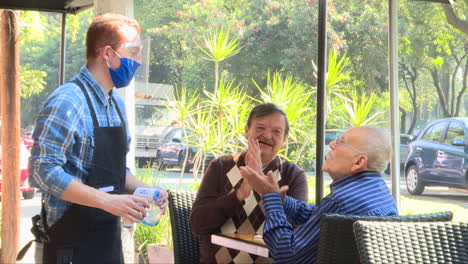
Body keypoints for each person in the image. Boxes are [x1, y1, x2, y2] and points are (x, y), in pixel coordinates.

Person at [28, 13, 167, 264]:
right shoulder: (67, 101)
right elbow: (43, 170)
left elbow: (115, 172)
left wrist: (148, 191)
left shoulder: (116, 105)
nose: (139, 61)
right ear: (107, 53)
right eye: (133, 52)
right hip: (69, 246)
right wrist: (107, 201)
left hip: (107, 244)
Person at [240, 126, 398, 263]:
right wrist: (282, 201)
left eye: (341, 142)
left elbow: (286, 254)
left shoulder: (342, 200)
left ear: (358, 162)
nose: (332, 144)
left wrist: (270, 198)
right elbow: (322, 219)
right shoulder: (379, 192)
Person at [190, 103, 309, 264]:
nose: (267, 135)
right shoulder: (220, 166)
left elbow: (298, 233)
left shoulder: (292, 175)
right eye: (260, 128)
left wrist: (270, 195)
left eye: (276, 131)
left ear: (284, 140)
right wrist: (239, 195)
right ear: (246, 131)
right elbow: (197, 225)